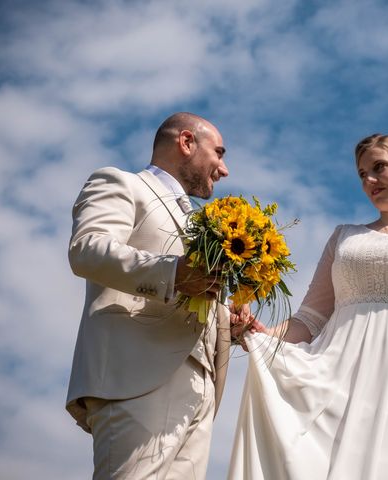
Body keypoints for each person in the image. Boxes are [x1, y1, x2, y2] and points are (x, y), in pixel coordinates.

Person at [228, 134, 388, 479]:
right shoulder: (344, 237)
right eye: (362, 174)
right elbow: (309, 319)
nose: (369, 181)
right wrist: (260, 335)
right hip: (343, 374)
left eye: (379, 167)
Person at [66, 112, 241, 479]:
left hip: (203, 388)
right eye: (219, 153)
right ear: (187, 142)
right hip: (136, 375)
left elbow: (193, 289)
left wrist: (227, 318)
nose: (223, 170)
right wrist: (173, 272)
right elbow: (88, 248)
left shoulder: (203, 224)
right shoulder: (122, 183)